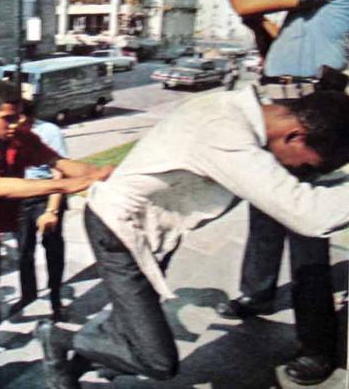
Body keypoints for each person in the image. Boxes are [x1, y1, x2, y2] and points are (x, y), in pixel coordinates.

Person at [34, 89, 349, 389]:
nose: (299, 173)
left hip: (150, 229)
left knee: (132, 328)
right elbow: (310, 216)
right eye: (307, 167)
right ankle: (62, 339)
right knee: (156, 360)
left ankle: (68, 367)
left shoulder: (241, 110)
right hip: (119, 232)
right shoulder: (225, 134)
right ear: (295, 135)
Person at [209, 0, 349, 384]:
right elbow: (265, 28)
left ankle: (317, 345)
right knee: (264, 208)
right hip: (285, 104)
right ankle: (258, 293)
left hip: (310, 111)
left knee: (304, 226)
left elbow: (249, 3)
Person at [0, 80, 113, 386]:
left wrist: (99, 173)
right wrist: (61, 185)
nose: (16, 123)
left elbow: (59, 162)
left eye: (18, 116)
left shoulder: (20, 137)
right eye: (7, 117)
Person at [15, 100, 68, 321]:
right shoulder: (10, 134)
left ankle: (56, 300)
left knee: (52, 248)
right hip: (21, 197)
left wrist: (52, 211)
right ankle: (28, 294)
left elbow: (60, 172)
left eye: (18, 118)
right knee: (23, 251)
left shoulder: (49, 132)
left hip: (46, 196)